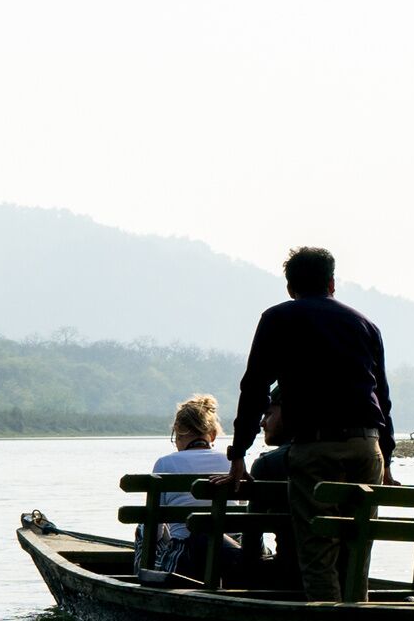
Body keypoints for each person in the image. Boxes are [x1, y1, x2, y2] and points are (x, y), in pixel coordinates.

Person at [226, 247, 395, 601]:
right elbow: (382, 397)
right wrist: (387, 462)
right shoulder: (366, 325)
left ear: (290, 288)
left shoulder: (278, 318)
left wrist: (238, 453)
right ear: (332, 283)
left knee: (318, 551)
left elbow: (254, 387)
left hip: (316, 447)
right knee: (357, 547)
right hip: (367, 447)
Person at [144, 394, 233, 578]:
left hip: (185, 557)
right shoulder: (232, 462)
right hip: (230, 553)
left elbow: (154, 531)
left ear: (178, 432)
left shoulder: (165, 464)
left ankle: (143, 577)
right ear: (213, 434)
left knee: (143, 526)